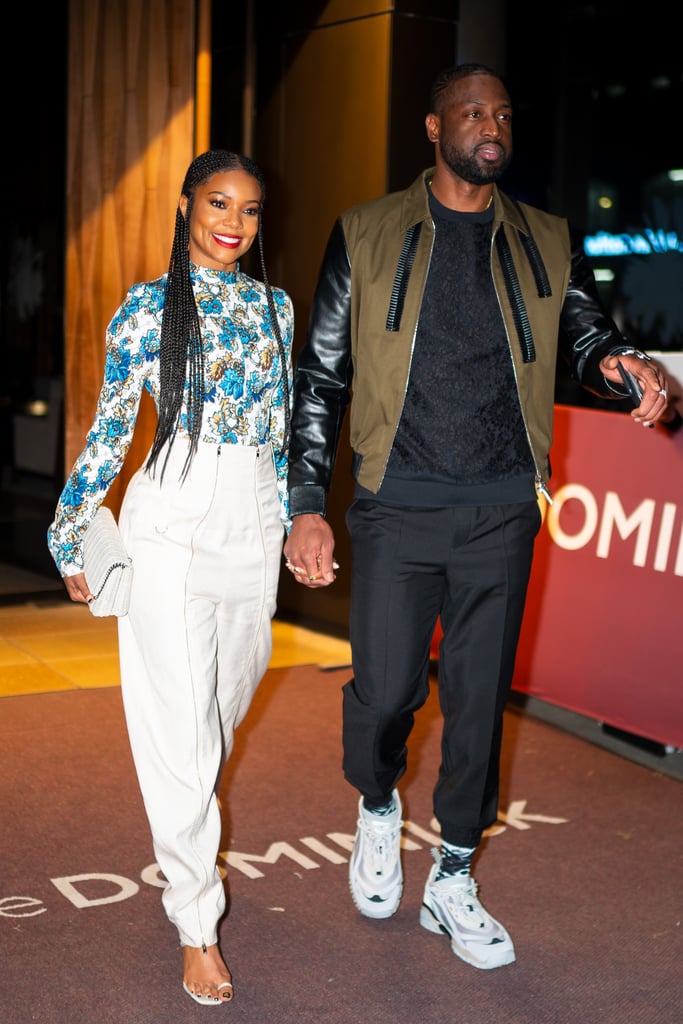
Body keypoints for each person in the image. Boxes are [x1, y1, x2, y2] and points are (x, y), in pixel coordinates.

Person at [283, 63, 670, 971]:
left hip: (500, 507)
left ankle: (452, 872)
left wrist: (622, 364)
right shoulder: (367, 231)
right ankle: (376, 806)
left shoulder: (544, 236)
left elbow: (583, 332)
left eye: (500, 111)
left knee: (476, 710)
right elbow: (322, 379)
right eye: (471, 111)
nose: (489, 124)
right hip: (396, 501)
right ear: (433, 126)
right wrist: (306, 503)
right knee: (383, 694)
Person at [48, 150, 294, 1004]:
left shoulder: (276, 309)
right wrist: (73, 527)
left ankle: (187, 834)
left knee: (218, 719)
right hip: (171, 523)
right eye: (219, 202)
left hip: (254, 525)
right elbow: (113, 427)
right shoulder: (147, 308)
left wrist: (302, 516)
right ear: (188, 205)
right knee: (182, 736)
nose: (234, 221)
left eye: (251, 210)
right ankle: (197, 923)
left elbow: (289, 433)